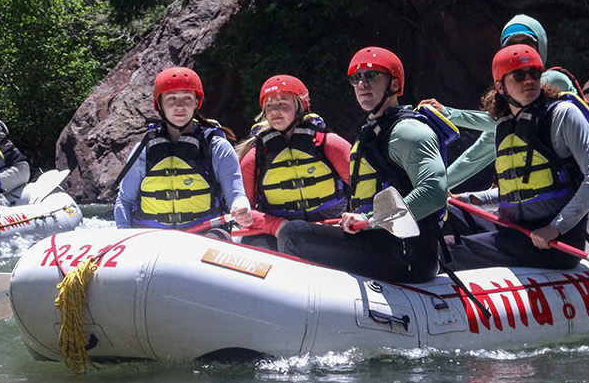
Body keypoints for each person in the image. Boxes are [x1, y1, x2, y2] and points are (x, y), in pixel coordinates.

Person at [275, 48, 446, 283]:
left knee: (293, 234)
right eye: (356, 78)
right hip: (378, 243)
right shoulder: (373, 131)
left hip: (408, 254)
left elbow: (434, 194)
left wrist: (367, 219)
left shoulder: (408, 131)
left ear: (395, 85)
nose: (362, 84)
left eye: (372, 76)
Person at [447, 43, 589, 271]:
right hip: (515, 230)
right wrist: (466, 199)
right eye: (518, 75)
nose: (529, 80)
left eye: (534, 74)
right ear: (500, 86)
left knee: (448, 249)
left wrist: (555, 227)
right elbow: (519, 193)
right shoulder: (505, 126)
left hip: (553, 242)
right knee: (444, 214)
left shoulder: (563, 115)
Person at [432, 13, 579, 191]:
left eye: (527, 43)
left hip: (577, 185)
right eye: (512, 45)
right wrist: (434, 188)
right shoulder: (504, 120)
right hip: (544, 193)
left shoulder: (555, 80)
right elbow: (472, 159)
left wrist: (448, 114)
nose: (520, 51)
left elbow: (498, 120)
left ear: (541, 46)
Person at [113, 67, 253, 240]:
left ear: (196, 102)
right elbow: (124, 201)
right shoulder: (143, 150)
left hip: (203, 234)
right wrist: (124, 238)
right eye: (172, 98)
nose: (180, 106)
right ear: (160, 104)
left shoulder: (217, 147)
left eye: (187, 98)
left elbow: (236, 195)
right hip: (151, 237)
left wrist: (241, 208)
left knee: (219, 238)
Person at [236, 74, 352, 250]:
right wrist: (277, 226)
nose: (275, 110)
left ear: (299, 107)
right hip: (277, 230)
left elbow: (365, 189)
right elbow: (243, 210)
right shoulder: (255, 156)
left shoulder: (329, 144)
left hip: (332, 225)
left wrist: (356, 217)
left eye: (282, 104)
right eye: (269, 105)